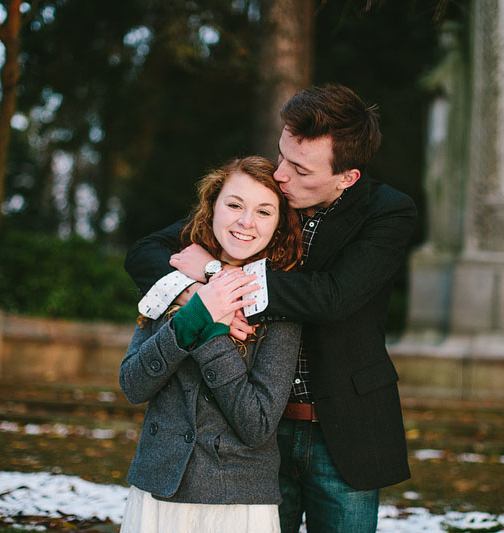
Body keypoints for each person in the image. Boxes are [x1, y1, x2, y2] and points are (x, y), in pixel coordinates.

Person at [125, 84, 417, 532]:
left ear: (347, 177)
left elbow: (334, 296)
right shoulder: (266, 200)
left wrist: (222, 280)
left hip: (343, 430)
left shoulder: (388, 213)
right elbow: (148, 249)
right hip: (251, 433)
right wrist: (202, 286)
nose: (282, 175)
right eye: (281, 156)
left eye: (299, 169)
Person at [119, 155, 303, 533]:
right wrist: (194, 314)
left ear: (280, 223)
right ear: (212, 205)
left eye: (264, 212)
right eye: (234, 204)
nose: (246, 222)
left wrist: (213, 332)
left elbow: (258, 424)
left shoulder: (281, 305)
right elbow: (133, 385)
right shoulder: (173, 281)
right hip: (158, 490)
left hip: (236, 499)